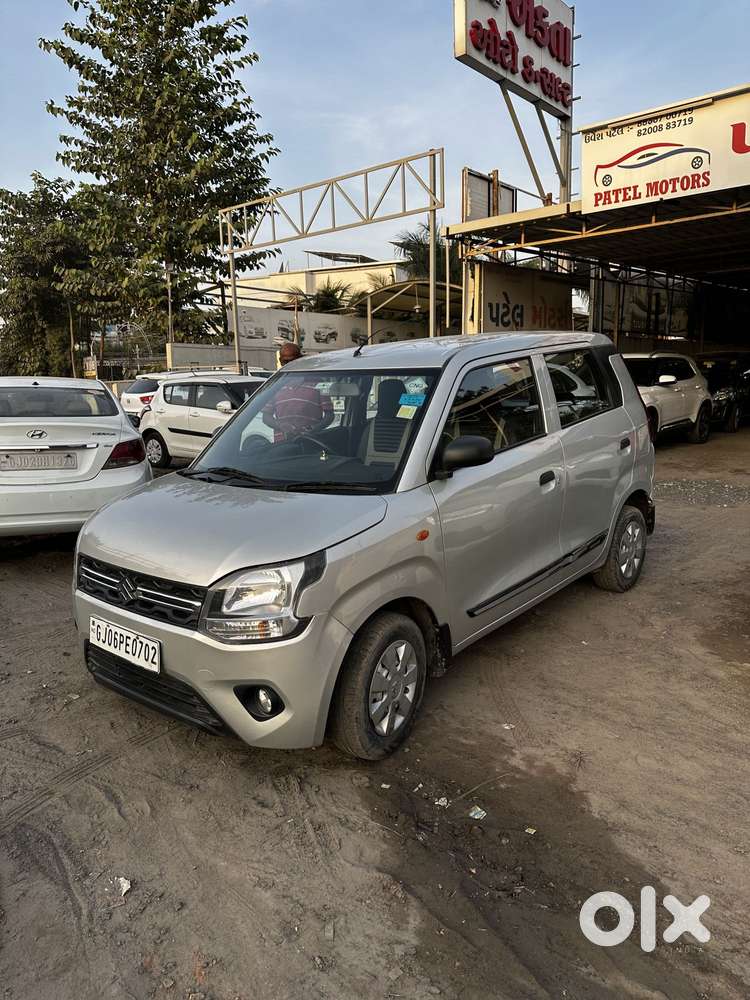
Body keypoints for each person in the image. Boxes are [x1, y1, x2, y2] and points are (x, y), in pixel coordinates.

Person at [263, 343, 333, 441]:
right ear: (280, 361)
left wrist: (312, 431)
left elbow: (329, 416)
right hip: (282, 445)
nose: (289, 364)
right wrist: (281, 426)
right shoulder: (276, 385)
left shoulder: (318, 383)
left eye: (292, 361)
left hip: (311, 443)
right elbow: (266, 417)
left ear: (300, 359)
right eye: (285, 361)